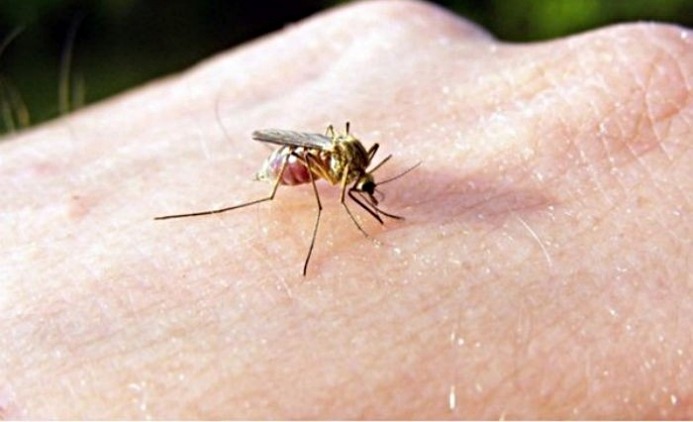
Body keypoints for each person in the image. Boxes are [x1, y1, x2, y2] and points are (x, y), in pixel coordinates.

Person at [1, 0, 690, 418]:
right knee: (313, 185)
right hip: (291, 162)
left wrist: (363, 187)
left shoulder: (361, 166)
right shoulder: (331, 166)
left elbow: (357, 169)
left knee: (346, 167)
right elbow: (328, 166)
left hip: (327, 153)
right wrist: (332, 186)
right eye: (364, 186)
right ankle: (253, 204)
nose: (366, 189)